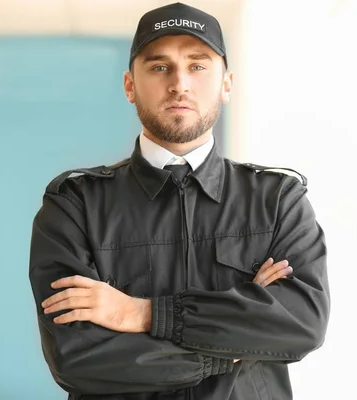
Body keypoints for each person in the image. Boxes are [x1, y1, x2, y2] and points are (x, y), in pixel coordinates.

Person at [28, 3, 330, 399]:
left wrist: (140, 313)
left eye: (198, 66)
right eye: (159, 67)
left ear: (226, 84)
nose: (180, 84)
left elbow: (301, 324)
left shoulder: (277, 200)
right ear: (129, 85)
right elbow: (79, 358)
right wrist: (235, 351)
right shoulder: (73, 207)